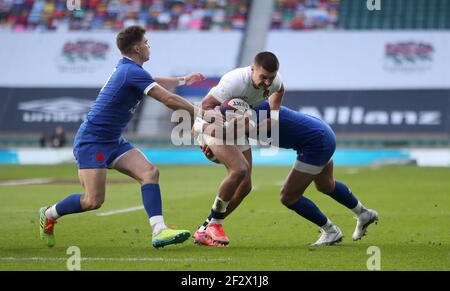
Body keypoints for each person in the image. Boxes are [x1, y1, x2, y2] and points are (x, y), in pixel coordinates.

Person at [38, 25, 206, 248]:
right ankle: (49, 214)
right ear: (137, 48)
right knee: (93, 201)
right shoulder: (131, 72)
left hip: (113, 140)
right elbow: (169, 100)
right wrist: (202, 113)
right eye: (146, 43)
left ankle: (159, 230)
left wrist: (183, 80)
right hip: (93, 141)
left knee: (149, 173)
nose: (148, 46)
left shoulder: (130, 70)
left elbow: (153, 80)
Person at [196, 101, 379, 246]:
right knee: (326, 185)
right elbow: (239, 165)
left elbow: (239, 166)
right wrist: (216, 156)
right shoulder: (243, 118)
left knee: (288, 196)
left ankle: (331, 231)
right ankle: (363, 213)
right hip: (319, 132)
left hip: (315, 142)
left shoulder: (251, 119)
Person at [192, 51, 285, 246]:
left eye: (271, 78)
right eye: (263, 77)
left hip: (237, 124)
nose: (267, 83)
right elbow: (205, 105)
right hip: (211, 122)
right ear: (252, 70)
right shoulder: (233, 81)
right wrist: (205, 139)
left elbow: (280, 89)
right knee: (239, 169)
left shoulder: (275, 82)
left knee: (245, 186)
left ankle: (204, 229)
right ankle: (215, 224)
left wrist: (273, 117)